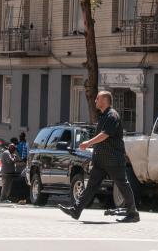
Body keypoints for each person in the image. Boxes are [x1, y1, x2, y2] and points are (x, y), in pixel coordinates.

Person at [59, 90, 139, 223]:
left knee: (122, 185)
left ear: (105, 100)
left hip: (113, 159)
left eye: (97, 98)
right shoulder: (103, 116)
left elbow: (105, 134)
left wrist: (88, 143)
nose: (95, 101)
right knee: (91, 186)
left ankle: (133, 213)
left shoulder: (112, 116)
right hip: (101, 160)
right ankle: (76, 210)